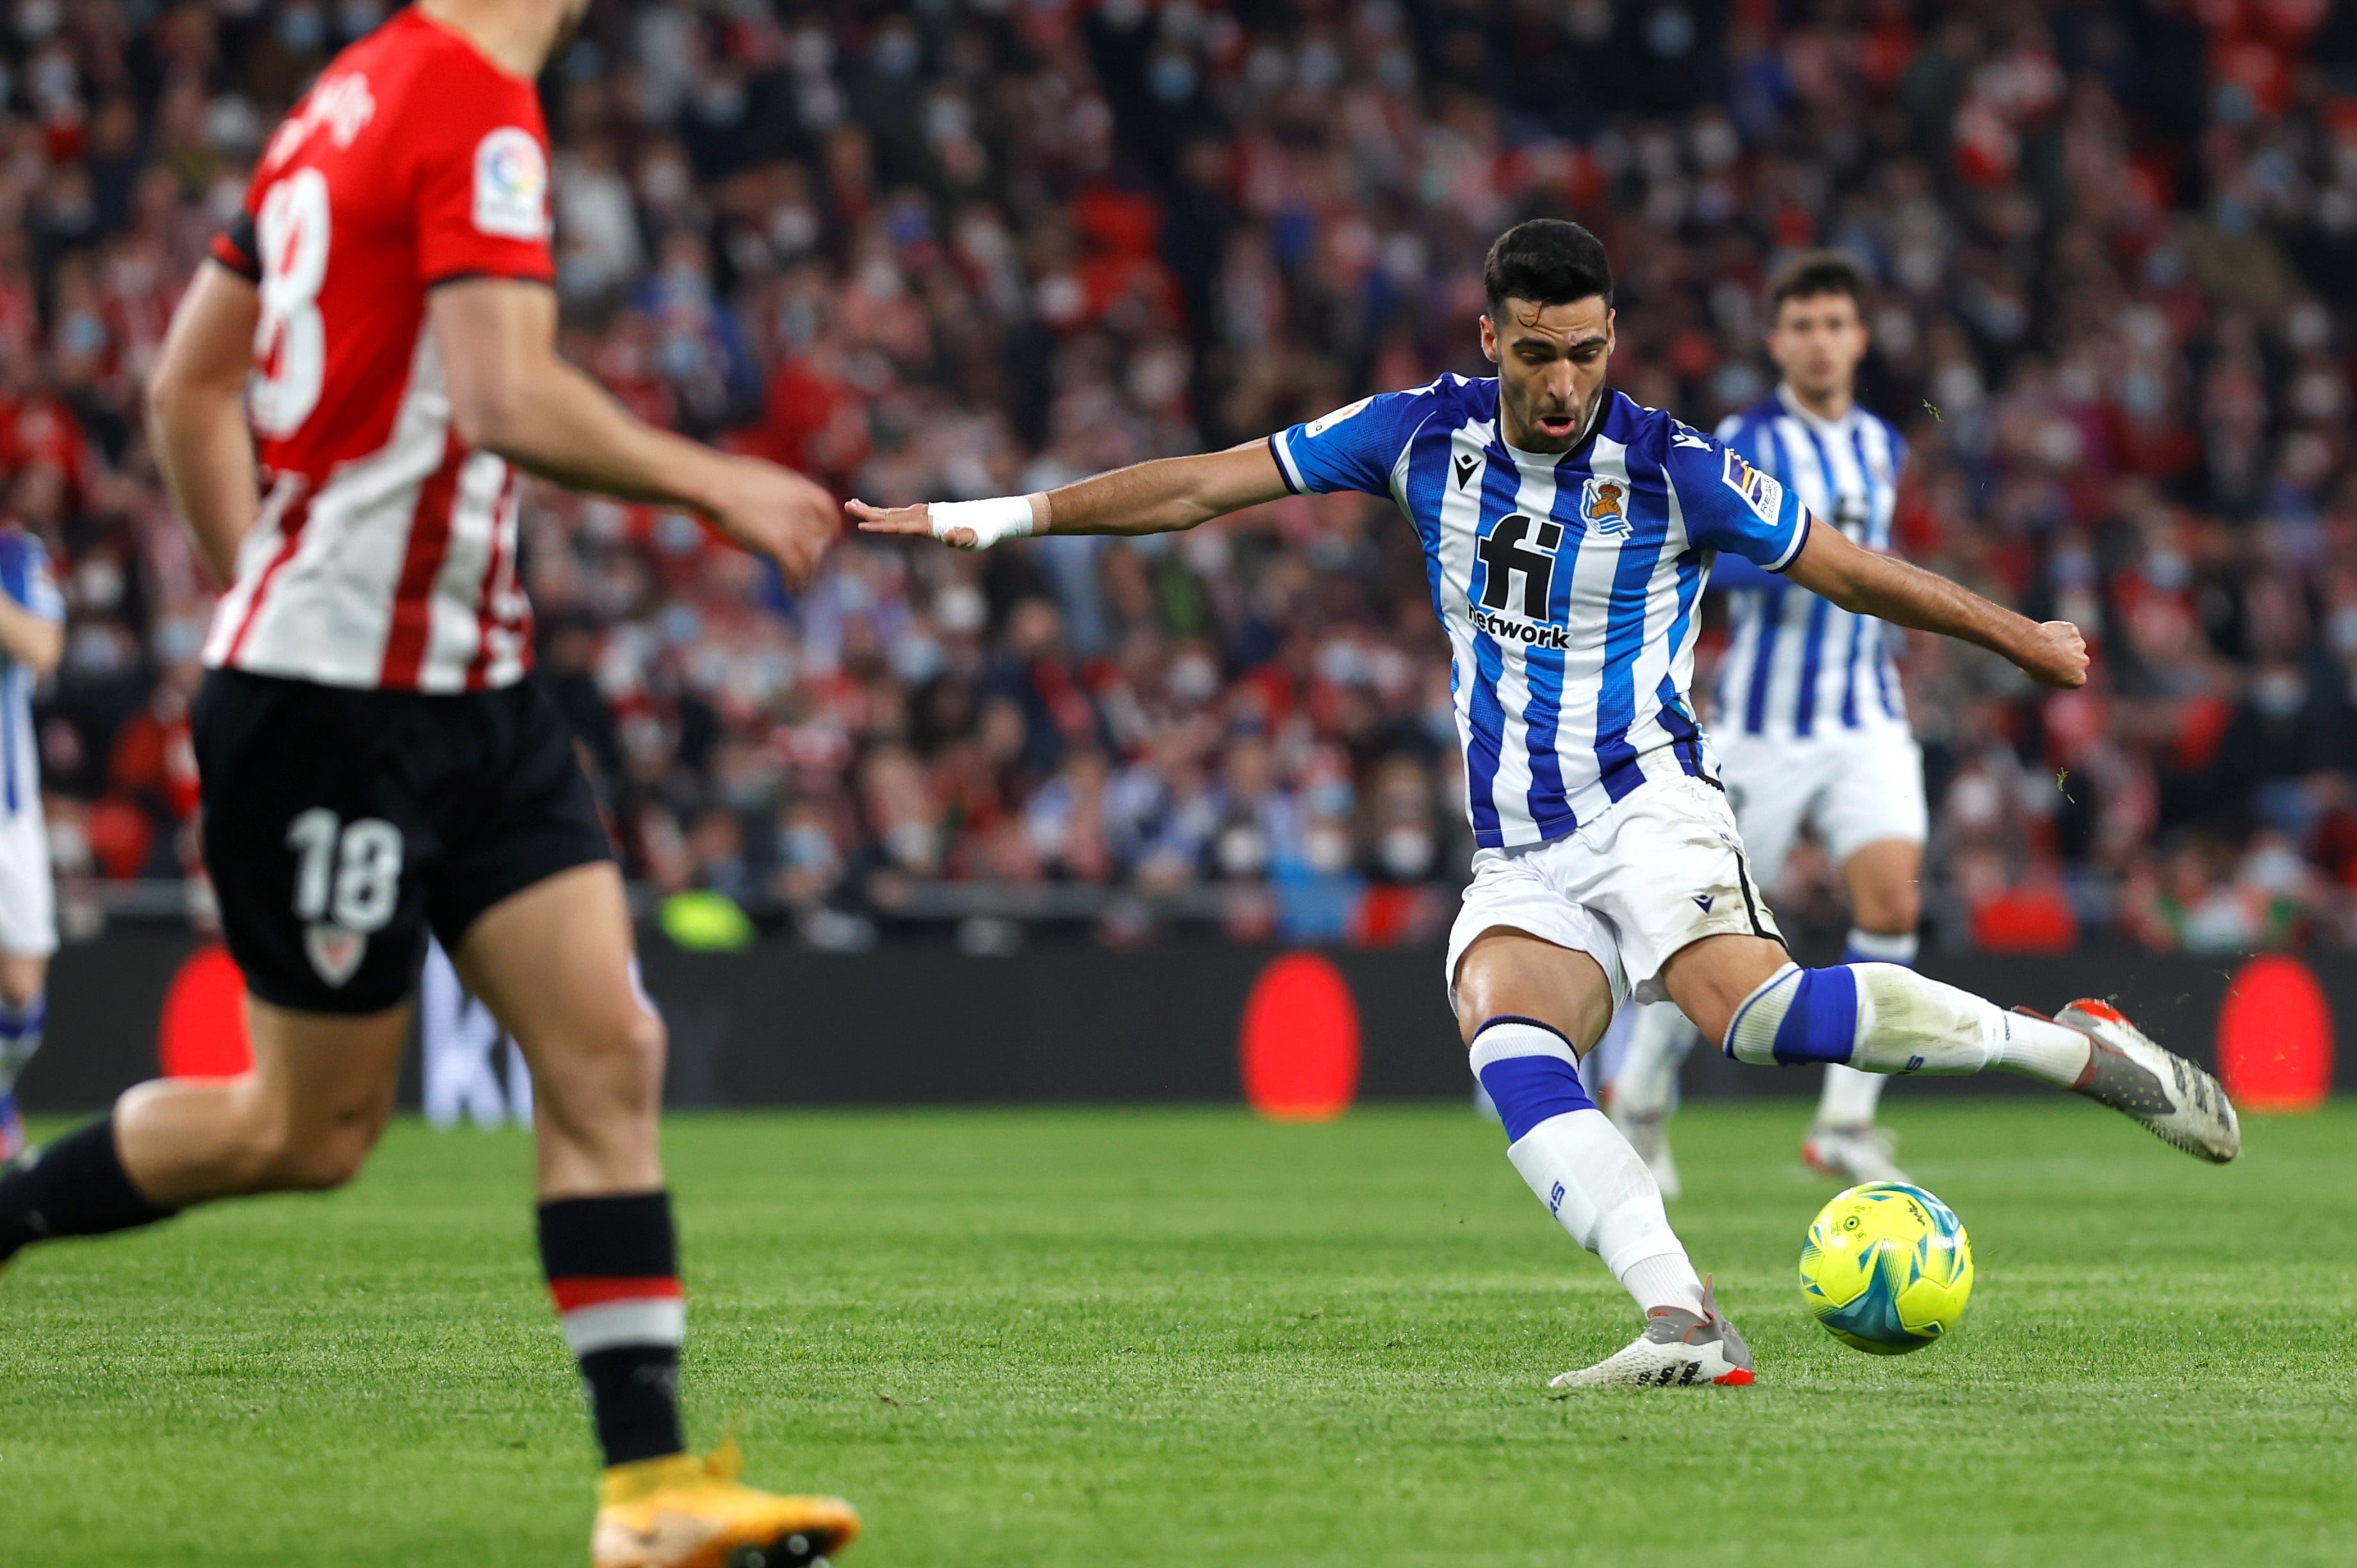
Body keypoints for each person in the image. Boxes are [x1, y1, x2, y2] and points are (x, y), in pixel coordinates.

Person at [851, 219, 2239, 1389]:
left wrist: (2020, 636)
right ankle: (1682, 1319)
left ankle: (2070, 1048)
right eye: (1536, 351)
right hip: (1518, 843)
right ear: (1489, 339)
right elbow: (1204, 488)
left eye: (1585, 350)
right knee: (1507, 1044)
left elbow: (1847, 571)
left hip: (1651, 808)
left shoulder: (1675, 465)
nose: (1562, 379)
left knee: (1753, 1020)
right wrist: (999, 516)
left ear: (1610, 341)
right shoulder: (1413, 436)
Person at [0, 3, 859, 1563]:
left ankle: (651, 1492)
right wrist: (714, 477)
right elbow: (506, 397)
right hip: (337, 707)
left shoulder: (338, 101)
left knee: (607, 1047)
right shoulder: (471, 107)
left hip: (476, 688)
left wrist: (248, 573)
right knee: (305, 1130)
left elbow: (186, 390)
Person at [1611, 251, 1925, 1195]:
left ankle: (1842, 1123)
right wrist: (1805, 552)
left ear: (1859, 339)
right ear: (1777, 340)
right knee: (1711, 933)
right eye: (1804, 326)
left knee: (1895, 901)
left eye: (1837, 324)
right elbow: (1715, 556)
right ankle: (1643, 1093)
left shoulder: (1883, 444)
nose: (1822, 342)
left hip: (1866, 714)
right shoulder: (1743, 442)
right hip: (1757, 726)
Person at [0, 523, 65, 1161]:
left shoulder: (17, 554)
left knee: (22, 987)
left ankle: (0, 1094)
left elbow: (43, 647)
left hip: (7, 808)